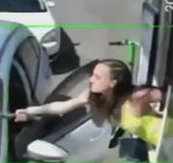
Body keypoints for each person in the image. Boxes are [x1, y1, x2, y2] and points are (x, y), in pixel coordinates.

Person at [15, 59, 173, 146]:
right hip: (163, 148)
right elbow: (61, 107)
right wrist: (30, 111)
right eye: (92, 75)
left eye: (97, 77)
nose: (91, 80)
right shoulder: (94, 96)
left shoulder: (138, 96)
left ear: (113, 83)